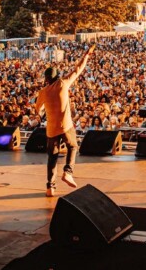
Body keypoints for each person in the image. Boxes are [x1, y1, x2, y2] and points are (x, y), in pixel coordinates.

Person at [36, 44, 95, 197]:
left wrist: (43, 112)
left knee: (52, 157)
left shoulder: (43, 92)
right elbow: (77, 69)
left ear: (46, 79)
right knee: (73, 146)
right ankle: (68, 172)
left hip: (51, 128)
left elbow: (38, 109)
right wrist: (86, 55)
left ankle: (50, 187)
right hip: (66, 125)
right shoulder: (63, 83)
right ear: (57, 76)